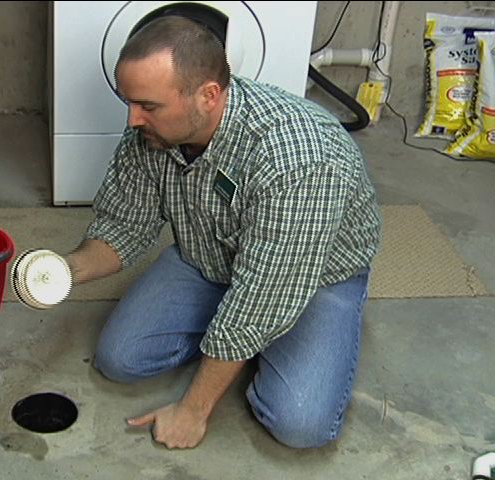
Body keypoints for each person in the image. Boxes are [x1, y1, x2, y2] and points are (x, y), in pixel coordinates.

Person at [64, 15, 382, 450]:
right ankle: (241, 343)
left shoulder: (302, 160)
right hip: (209, 255)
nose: (133, 118)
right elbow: (124, 223)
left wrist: (192, 409)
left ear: (208, 95)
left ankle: (296, 332)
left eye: (148, 106)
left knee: (299, 423)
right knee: (120, 360)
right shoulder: (153, 132)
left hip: (311, 278)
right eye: (129, 101)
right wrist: (63, 271)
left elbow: (263, 293)